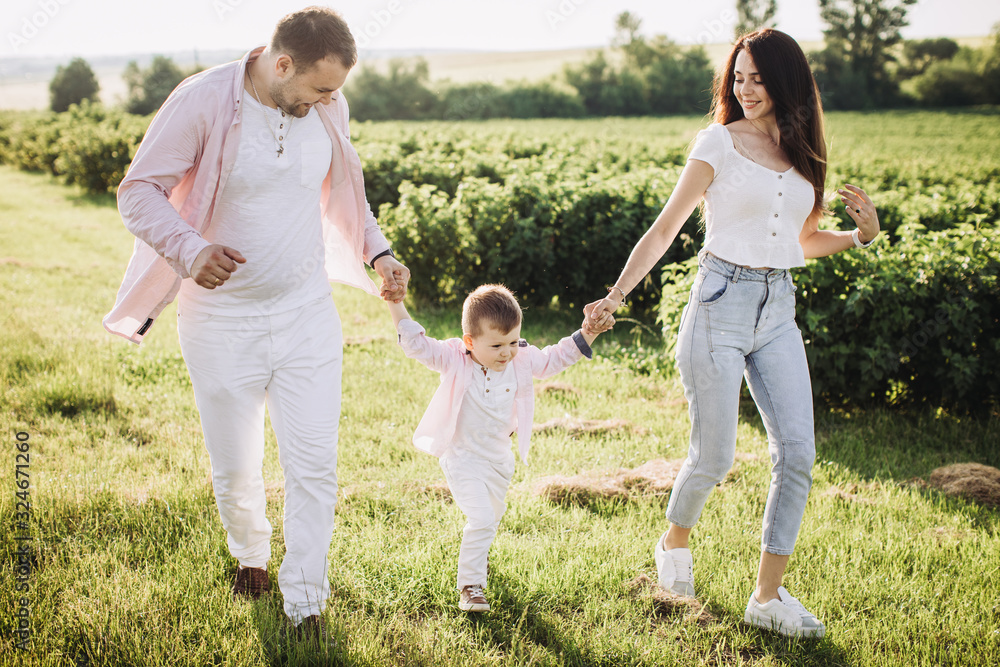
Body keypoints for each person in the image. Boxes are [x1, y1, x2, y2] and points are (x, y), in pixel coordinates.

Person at [103, 7, 410, 636]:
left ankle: (305, 600)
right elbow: (137, 192)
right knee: (237, 465)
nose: (330, 100)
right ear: (282, 63)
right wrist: (191, 251)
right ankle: (249, 554)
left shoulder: (325, 106)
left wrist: (377, 251)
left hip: (306, 316)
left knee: (315, 464)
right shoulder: (203, 100)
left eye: (337, 91)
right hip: (221, 322)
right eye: (321, 87)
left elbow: (347, 191)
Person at [585, 28, 881, 639]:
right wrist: (615, 295)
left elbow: (800, 242)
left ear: (786, 82)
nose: (746, 89)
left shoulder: (805, 152)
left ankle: (767, 598)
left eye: (758, 79)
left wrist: (861, 237)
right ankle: (674, 543)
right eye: (738, 78)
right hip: (718, 302)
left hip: (778, 310)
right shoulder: (716, 141)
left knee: (797, 453)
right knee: (714, 456)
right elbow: (666, 228)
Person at [388, 285, 609, 612]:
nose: (506, 352)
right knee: (480, 517)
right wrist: (396, 304)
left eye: (512, 342)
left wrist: (588, 331)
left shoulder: (519, 359)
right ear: (469, 342)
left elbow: (554, 358)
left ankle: (478, 560)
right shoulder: (455, 359)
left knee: (491, 517)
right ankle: (470, 586)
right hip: (462, 459)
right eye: (496, 345)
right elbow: (418, 346)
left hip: (498, 461)